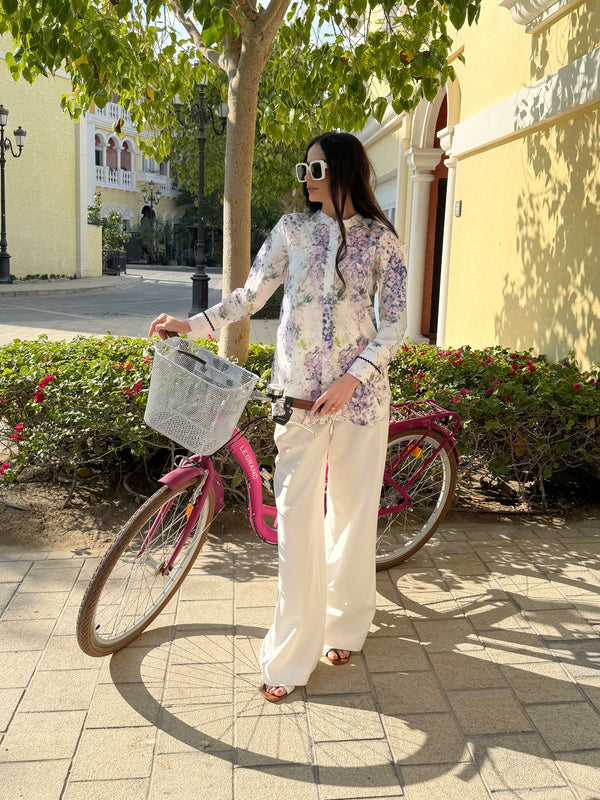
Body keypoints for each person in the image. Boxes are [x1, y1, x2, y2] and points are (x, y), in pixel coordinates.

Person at [148, 131, 407, 701]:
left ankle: (346, 625)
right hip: (296, 400)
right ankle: (291, 655)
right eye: (303, 168)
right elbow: (248, 296)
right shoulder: (292, 231)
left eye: (314, 167)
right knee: (295, 527)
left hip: (361, 402)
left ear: (341, 170)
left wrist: (351, 377)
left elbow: (394, 326)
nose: (306, 178)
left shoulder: (383, 241)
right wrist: (188, 325)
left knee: (352, 516)